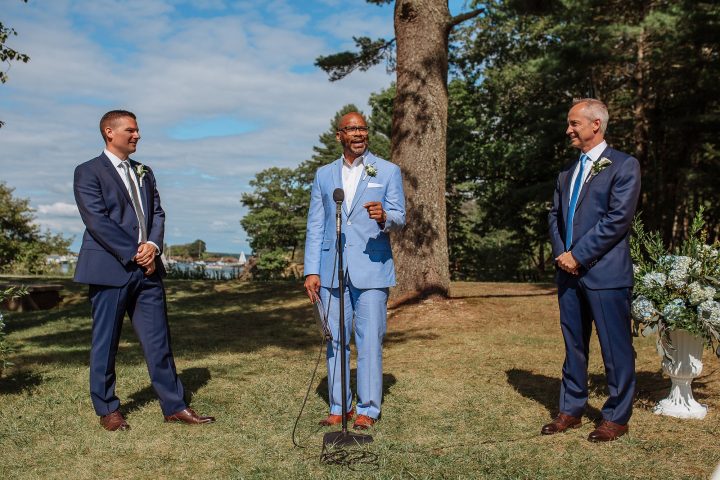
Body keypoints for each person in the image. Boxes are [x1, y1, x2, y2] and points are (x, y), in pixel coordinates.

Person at [73, 110, 214, 431]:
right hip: (110, 269)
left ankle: (174, 405)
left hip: (148, 270)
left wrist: (153, 245)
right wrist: (133, 252)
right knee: (105, 342)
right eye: (131, 130)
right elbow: (96, 220)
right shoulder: (88, 171)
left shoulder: (144, 171)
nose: (137, 135)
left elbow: (158, 212)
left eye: (138, 131)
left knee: (158, 341)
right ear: (109, 132)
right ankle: (107, 408)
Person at [545, 98, 641, 442]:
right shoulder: (567, 173)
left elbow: (618, 219)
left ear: (595, 125)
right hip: (567, 273)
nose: (568, 129)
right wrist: (562, 254)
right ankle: (570, 409)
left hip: (606, 274)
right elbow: (554, 216)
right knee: (574, 345)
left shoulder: (624, 166)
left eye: (574, 124)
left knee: (615, 348)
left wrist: (579, 254)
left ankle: (616, 415)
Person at [303, 112, 405, 430]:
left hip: (372, 268)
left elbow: (400, 216)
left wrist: (384, 216)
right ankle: (339, 405)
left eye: (363, 128)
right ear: (340, 135)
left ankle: (368, 409)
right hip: (331, 270)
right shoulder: (323, 175)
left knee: (369, 339)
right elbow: (316, 224)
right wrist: (311, 270)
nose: (359, 133)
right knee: (335, 340)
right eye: (352, 129)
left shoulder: (387, 171)